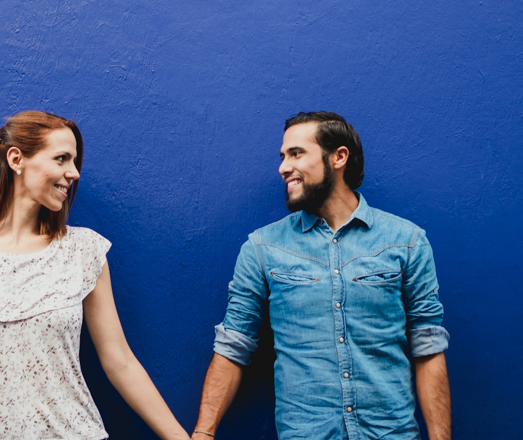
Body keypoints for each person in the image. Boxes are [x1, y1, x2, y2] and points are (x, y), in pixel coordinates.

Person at [0, 110, 189, 440]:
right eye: (62, 159)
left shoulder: (82, 251)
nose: (73, 173)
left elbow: (120, 361)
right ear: (16, 159)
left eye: (74, 162)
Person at [193, 112, 452, 440]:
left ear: (338, 157)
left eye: (297, 153)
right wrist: (203, 433)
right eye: (283, 156)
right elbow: (233, 346)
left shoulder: (407, 242)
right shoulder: (262, 248)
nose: (283, 167)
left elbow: (428, 347)